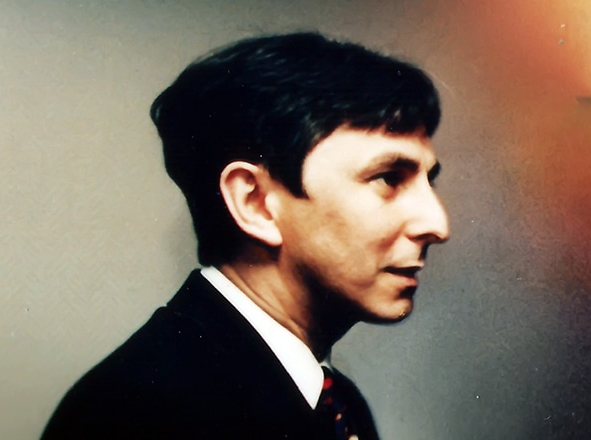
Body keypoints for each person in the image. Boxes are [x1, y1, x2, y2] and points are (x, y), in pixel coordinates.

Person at [41, 32, 449, 440]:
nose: (437, 225)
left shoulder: (338, 404)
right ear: (254, 202)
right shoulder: (135, 413)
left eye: (428, 181)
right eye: (388, 178)